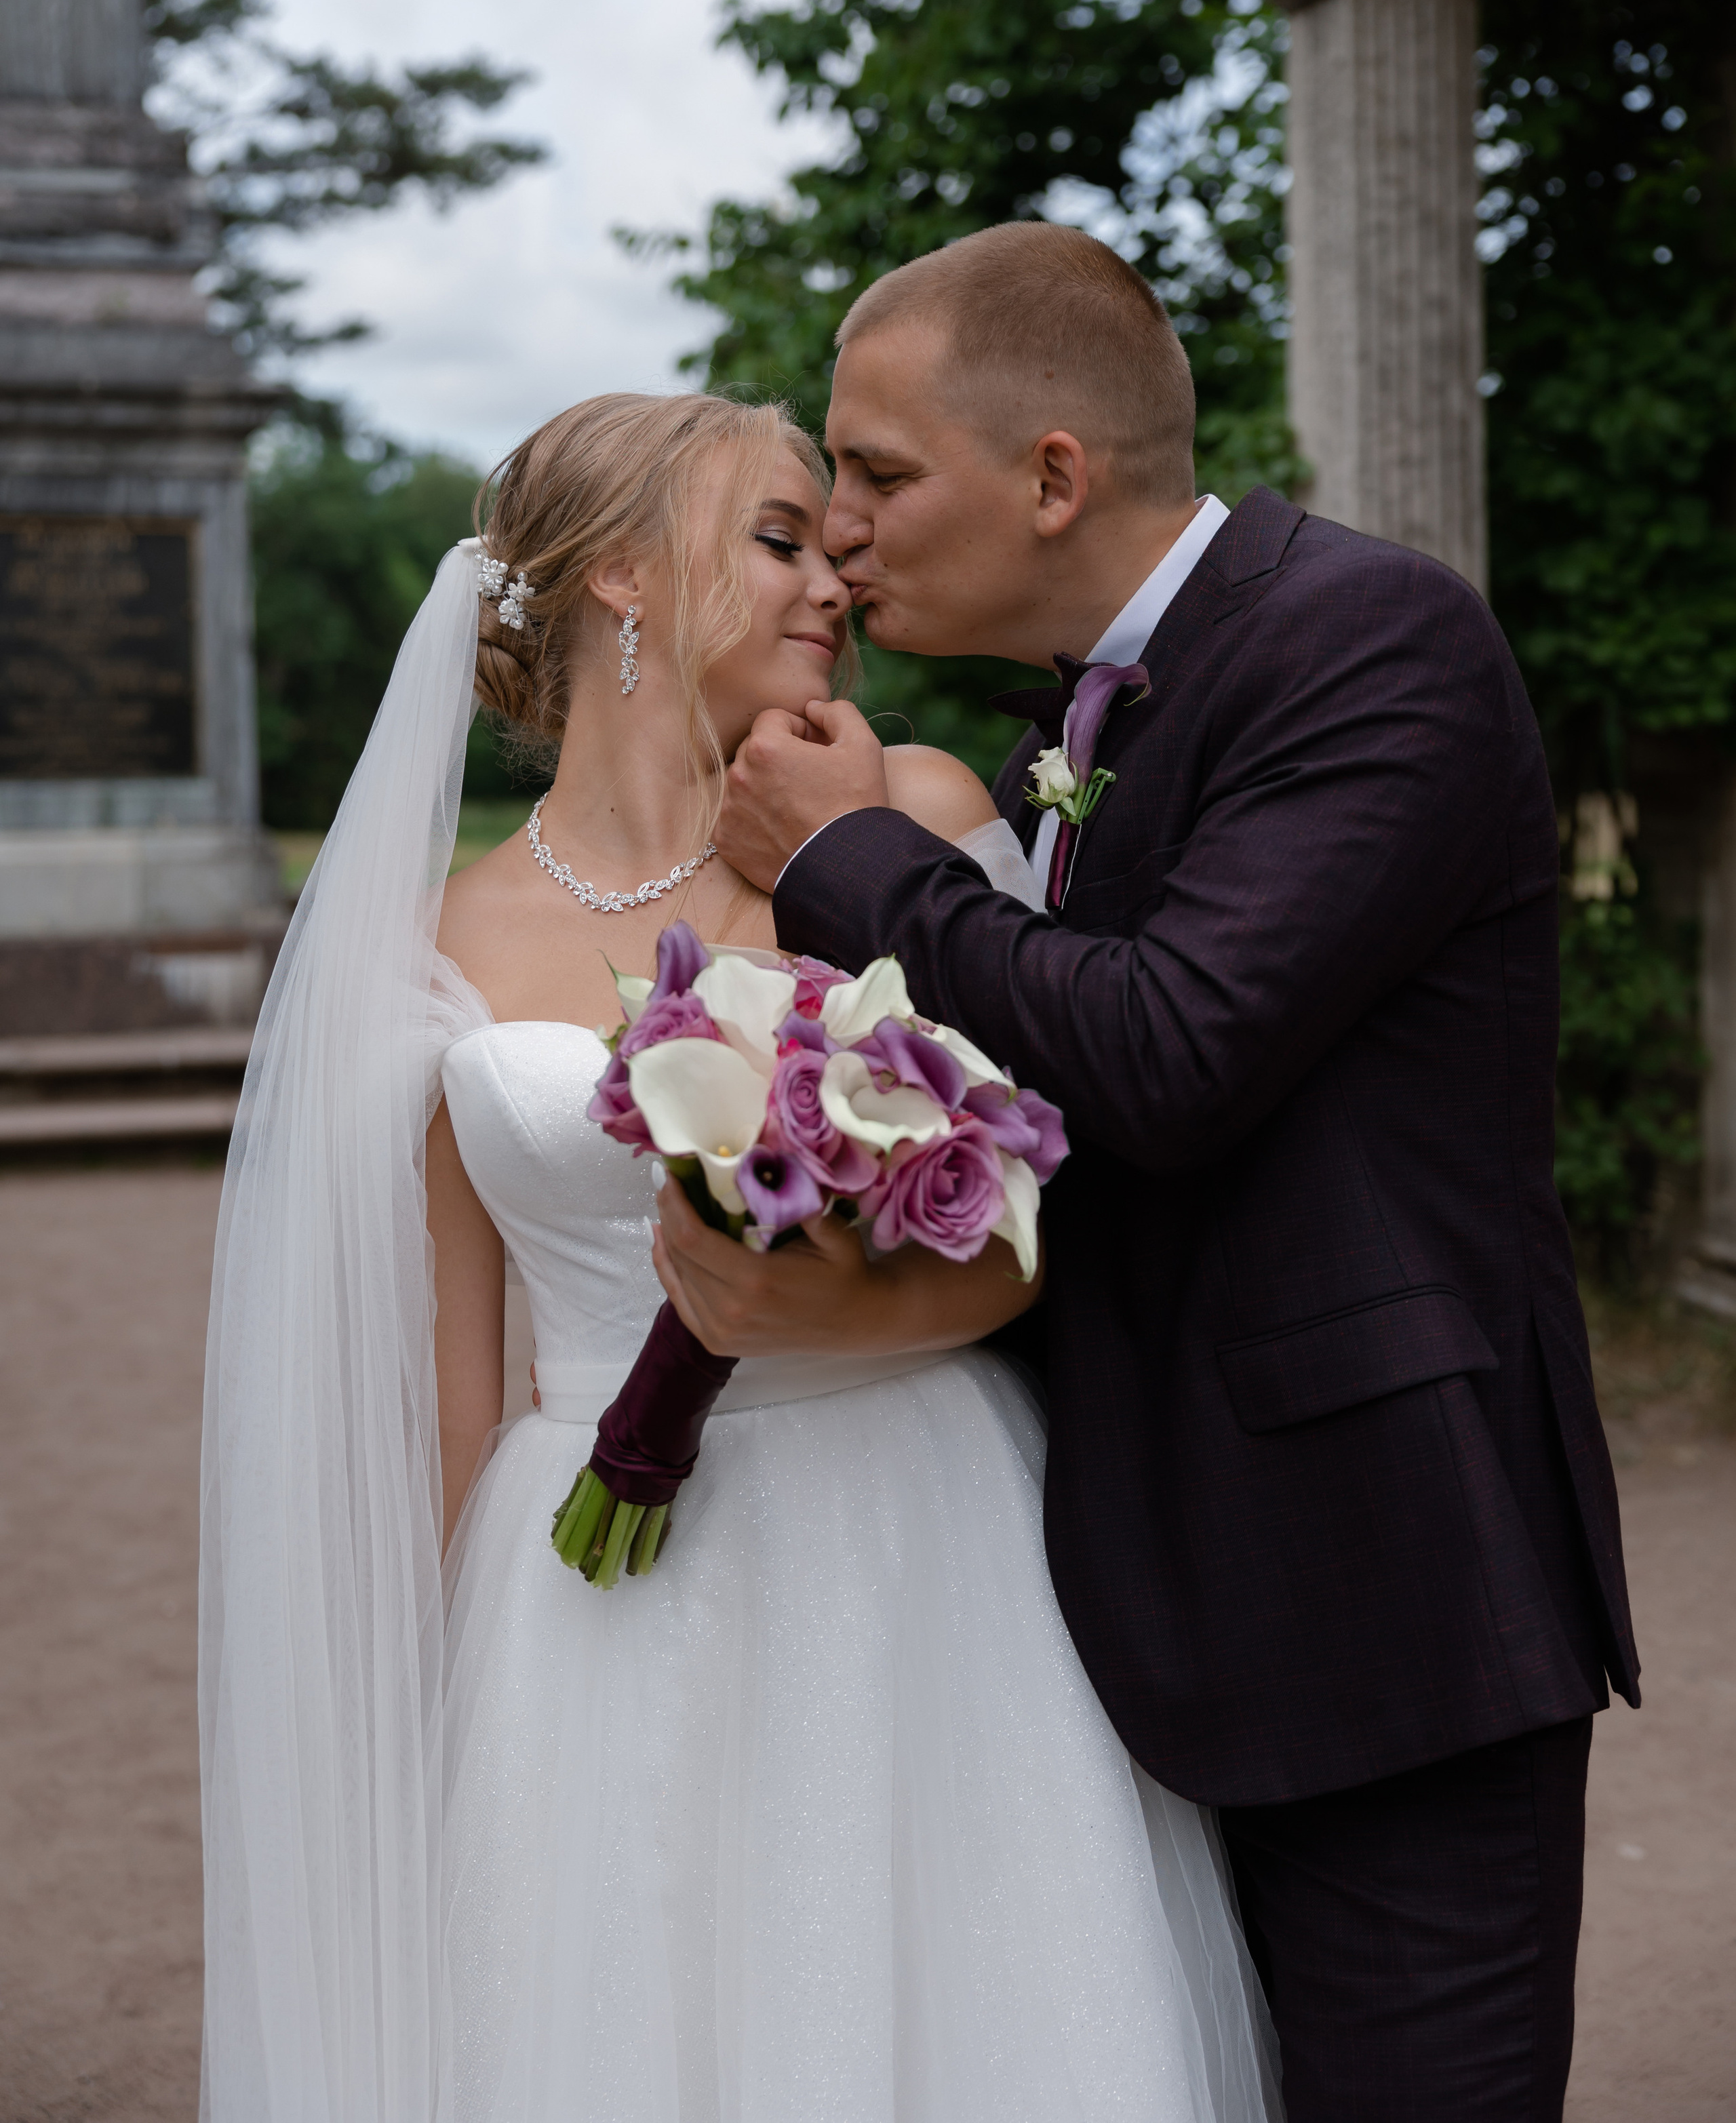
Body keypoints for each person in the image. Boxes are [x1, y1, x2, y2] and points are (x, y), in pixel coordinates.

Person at [656, 221, 1641, 2123]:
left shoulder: (1371, 638)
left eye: (876, 472)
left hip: (1379, 1595)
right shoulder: (1077, 721)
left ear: (1052, 476)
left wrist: (848, 863)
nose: (843, 527)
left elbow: (1174, 1051)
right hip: (1127, 1593)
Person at [199, 389, 1279, 2122]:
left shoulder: (906, 813)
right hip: (594, 1612)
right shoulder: (438, 941)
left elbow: (1056, 1227)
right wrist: (432, 1719)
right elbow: (454, 1386)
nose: (832, 580)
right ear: (620, 576)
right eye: (778, 538)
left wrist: (831, 1294)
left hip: (921, 1540)